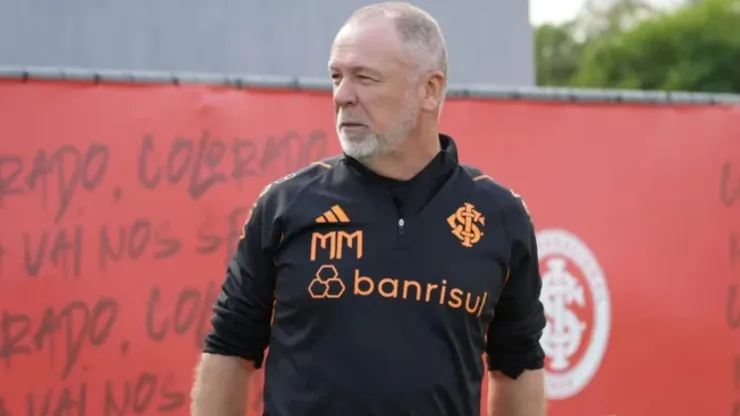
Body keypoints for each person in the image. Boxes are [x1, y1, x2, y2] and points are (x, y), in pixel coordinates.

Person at [190, 2, 546, 415]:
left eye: (365, 78)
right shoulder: (285, 206)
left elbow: (517, 366)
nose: (342, 96)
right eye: (337, 77)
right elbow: (231, 348)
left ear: (430, 89)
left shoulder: (500, 216)